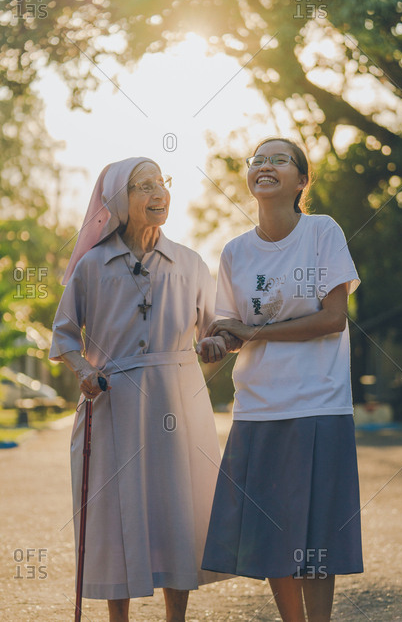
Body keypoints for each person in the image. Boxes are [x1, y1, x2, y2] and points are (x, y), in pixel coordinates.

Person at [49, 157, 231, 622]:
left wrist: (214, 343)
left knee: (177, 510)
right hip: (113, 402)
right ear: (117, 201)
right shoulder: (92, 266)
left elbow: (216, 331)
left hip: (178, 401)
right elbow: (65, 337)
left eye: (162, 183)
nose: (158, 193)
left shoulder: (191, 262)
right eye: (144, 185)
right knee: (115, 515)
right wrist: (82, 371)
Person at [198, 137, 364, 622]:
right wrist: (218, 343)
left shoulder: (322, 232)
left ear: (301, 180)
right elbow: (231, 332)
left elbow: (334, 318)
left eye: (279, 160)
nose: (265, 166)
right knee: (273, 539)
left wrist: (253, 331)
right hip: (258, 407)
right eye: (258, 160)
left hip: (319, 403)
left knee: (316, 535)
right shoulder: (235, 252)